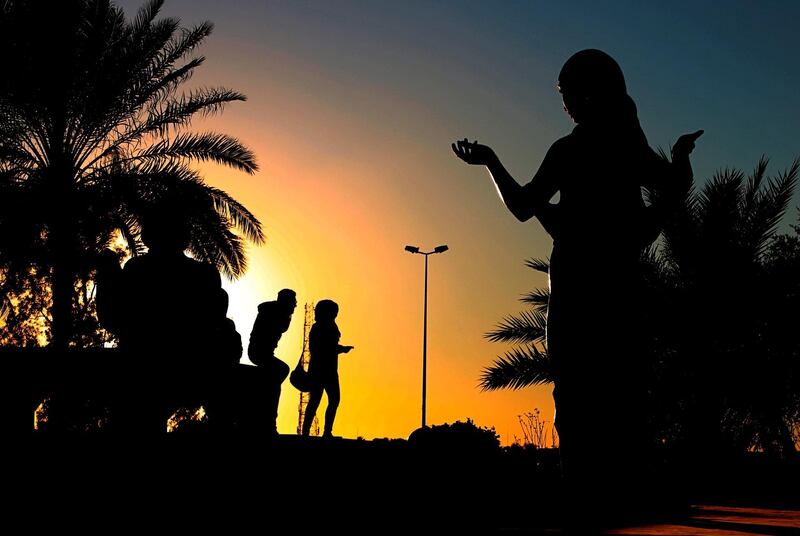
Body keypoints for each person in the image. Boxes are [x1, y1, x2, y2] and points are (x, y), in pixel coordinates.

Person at [453, 49, 701, 525]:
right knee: (623, 386)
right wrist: (679, 157)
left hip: (580, 281)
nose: (564, 103)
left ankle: (584, 489)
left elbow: (524, 206)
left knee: (577, 389)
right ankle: (622, 487)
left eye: (567, 93)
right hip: (620, 279)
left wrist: (490, 161)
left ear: (589, 93)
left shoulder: (569, 150)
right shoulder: (629, 145)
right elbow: (673, 188)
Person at [96, 205, 230, 433]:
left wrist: (108, 277)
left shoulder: (137, 270)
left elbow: (115, 318)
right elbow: (214, 321)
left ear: (149, 235)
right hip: (185, 367)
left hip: (144, 367)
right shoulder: (203, 274)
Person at [247, 288, 297, 435]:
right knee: (281, 371)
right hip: (258, 353)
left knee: (279, 374)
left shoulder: (276, 312)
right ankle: (268, 419)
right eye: (293, 301)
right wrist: (288, 314)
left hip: (265, 353)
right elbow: (282, 327)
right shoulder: (273, 312)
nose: (295, 305)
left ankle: (268, 392)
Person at [301, 299, 354, 437]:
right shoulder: (319, 328)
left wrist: (340, 349)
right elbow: (323, 349)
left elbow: (329, 347)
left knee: (333, 400)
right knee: (316, 400)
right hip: (320, 370)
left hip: (330, 370)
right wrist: (341, 349)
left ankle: (326, 431)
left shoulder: (331, 327)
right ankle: (306, 432)